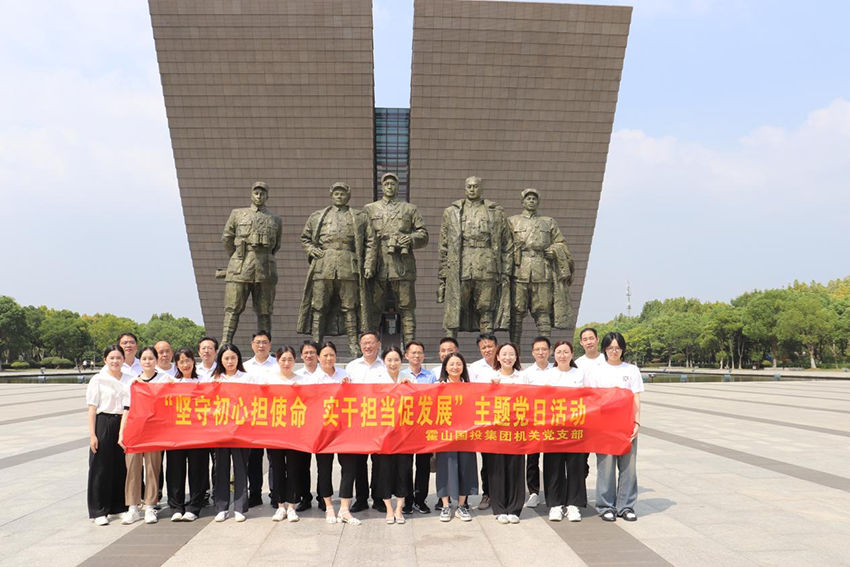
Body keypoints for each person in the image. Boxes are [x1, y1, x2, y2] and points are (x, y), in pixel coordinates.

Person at [297, 181, 376, 357]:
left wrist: (368, 264)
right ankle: (316, 344)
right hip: (323, 265)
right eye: (336, 193)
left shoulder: (360, 216)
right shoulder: (318, 216)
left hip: (349, 266)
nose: (339, 196)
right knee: (318, 306)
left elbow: (371, 242)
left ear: (348, 196)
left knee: (350, 307)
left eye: (342, 194)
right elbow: (305, 238)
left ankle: (353, 346)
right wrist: (311, 249)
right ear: (331, 195)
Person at [437, 175, 513, 338]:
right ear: (465, 188)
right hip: (460, 265)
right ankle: (450, 352)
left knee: (486, 309)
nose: (472, 189)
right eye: (469, 186)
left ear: (481, 188)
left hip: (487, 265)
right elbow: (444, 245)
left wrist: (505, 271)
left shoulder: (495, 212)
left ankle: (489, 353)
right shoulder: (451, 212)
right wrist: (443, 274)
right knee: (454, 308)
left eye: (475, 186)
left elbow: (506, 244)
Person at [363, 172, 429, 344]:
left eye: (393, 184)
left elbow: (423, 235)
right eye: (386, 184)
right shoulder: (369, 209)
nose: (389, 187)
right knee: (374, 309)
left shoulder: (410, 209)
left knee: (407, 308)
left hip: (402, 264)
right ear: (382, 187)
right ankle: (371, 346)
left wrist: (411, 239)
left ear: (397, 187)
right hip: (378, 264)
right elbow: (362, 237)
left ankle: (410, 346)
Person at [507, 188, 574, 346]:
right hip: (519, 272)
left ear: (538, 202)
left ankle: (545, 350)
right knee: (516, 313)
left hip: (542, 272)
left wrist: (555, 251)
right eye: (528, 198)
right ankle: (513, 351)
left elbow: (561, 243)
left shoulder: (548, 222)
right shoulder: (512, 221)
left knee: (543, 312)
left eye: (534, 199)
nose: (531, 201)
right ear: (522, 202)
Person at [588, 332, 643, 522]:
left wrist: (637, 422)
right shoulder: (597, 370)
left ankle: (625, 506)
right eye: (610, 348)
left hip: (626, 424)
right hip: (605, 426)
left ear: (622, 349)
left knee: (629, 466)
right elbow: (592, 398)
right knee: (606, 466)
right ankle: (605, 506)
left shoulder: (632, 370)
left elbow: (636, 397)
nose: (614, 351)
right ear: (604, 349)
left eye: (617, 348)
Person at [305, 341, 361, 525]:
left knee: (349, 467)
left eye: (332, 355)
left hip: (344, 430)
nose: (329, 358)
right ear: (318, 357)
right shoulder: (312, 379)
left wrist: (348, 388)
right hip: (322, 432)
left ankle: (344, 508)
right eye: (325, 355)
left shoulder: (345, 375)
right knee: (324, 469)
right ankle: (328, 506)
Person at [220, 181, 283, 344]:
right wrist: (237, 257)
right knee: (232, 308)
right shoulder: (238, 214)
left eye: (262, 193)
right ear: (251, 195)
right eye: (256, 193)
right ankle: (225, 343)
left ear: (267, 196)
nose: (259, 196)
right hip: (240, 267)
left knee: (265, 311)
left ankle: (265, 344)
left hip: (265, 269)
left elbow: (276, 245)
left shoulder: (275, 219)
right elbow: (227, 238)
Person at [533, 341, 587, 522]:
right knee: (553, 468)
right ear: (553, 355)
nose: (562, 355)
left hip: (576, 429)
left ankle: (573, 505)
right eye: (558, 352)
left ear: (572, 354)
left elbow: (591, 398)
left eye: (566, 352)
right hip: (553, 430)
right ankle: (555, 505)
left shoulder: (581, 374)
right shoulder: (547, 375)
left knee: (576, 467)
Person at [119, 347, 170, 525]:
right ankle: (132, 507)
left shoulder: (165, 379)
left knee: (152, 469)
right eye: (145, 359)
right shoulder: (133, 382)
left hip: (155, 431)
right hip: (134, 430)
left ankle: (150, 506)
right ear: (140, 361)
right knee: (132, 469)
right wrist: (121, 432)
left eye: (151, 358)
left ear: (156, 361)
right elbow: (126, 408)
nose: (148, 361)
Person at [86, 345, 133, 525]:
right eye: (111, 358)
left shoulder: (130, 379)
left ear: (123, 359)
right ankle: (99, 510)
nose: (115, 361)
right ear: (105, 359)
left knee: (121, 466)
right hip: (103, 422)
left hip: (124, 423)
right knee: (100, 467)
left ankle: (119, 506)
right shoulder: (98, 380)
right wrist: (92, 434)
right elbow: (92, 408)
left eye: (118, 358)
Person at [210, 344, 257, 522]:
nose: (230, 361)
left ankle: (239, 507)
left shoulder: (247, 378)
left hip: (240, 430)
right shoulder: (214, 379)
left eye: (233, 358)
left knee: (240, 468)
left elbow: (254, 402)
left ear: (238, 359)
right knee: (220, 468)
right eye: (226, 358)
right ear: (221, 360)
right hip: (220, 430)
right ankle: (221, 507)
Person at [369, 346, 413, 524]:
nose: (393, 363)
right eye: (389, 360)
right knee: (384, 472)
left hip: (405, 436)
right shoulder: (376, 379)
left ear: (401, 361)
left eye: (396, 360)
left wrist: (408, 389)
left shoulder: (408, 378)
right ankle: (388, 508)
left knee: (404, 471)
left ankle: (400, 508)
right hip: (383, 436)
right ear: (384, 361)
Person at [485, 342, 527, 524]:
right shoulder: (491, 378)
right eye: (504, 354)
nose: (508, 357)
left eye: (511, 354)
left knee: (515, 468)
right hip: (496, 432)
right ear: (498, 357)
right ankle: (499, 508)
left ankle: (515, 509)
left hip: (517, 431)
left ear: (516, 357)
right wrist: (491, 388)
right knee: (497, 470)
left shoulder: (523, 377)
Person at [265, 346, 307, 522]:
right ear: (277, 360)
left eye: (290, 359)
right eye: (283, 359)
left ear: (295, 360)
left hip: (295, 433)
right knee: (277, 468)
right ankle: (279, 505)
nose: (287, 363)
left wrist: (302, 392)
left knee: (293, 468)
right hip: (274, 432)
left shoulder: (303, 381)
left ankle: (292, 506)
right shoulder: (269, 381)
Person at [164, 348, 207, 522]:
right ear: (176, 364)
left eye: (188, 360)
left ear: (193, 361)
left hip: (198, 434)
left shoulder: (204, 381)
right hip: (176, 434)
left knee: (198, 471)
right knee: (175, 470)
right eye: (181, 361)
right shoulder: (170, 383)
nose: (185, 364)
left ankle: (194, 507)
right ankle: (176, 506)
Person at [345, 331, 385, 513]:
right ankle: (361, 498)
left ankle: (378, 498)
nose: (368, 346)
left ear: (378, 343)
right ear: (360, 345)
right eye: (364, 343)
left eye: (371, 342)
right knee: (359, 462)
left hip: (380, 422)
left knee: (379, 462)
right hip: (357, 423)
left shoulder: (386, 366)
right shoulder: (352, 367)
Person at [435, 352, 477, 522]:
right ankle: (445, 506)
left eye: (458, 364)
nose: (455, 367)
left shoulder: (471, 387)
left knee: (465, 469)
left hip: (467, 436)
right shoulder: (438, 387)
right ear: (445, 367)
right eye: (451, 364)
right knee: (445, 469)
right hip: (445, 437)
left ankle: (461, 505)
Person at [401, 340, 436, 514]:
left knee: (423, 466)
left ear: (424, 356)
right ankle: (407, 499)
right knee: (406, 466)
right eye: (413, 353)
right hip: (405, 428)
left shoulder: (431, 377)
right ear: (406, 355)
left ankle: (420, 499)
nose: (416, 356)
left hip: (424, 427)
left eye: (419, 353)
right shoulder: (400, 375)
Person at [244, 330, 277, 508]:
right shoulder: (245, 366)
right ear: (252, 345)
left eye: (264, 342)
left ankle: (274, 493)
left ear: (270, 344)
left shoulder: (278, 364)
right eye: (257, 342)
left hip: (273, 417)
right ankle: (255, 493)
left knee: (274, 458)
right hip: (252, 419)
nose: (261, 346)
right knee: (254, 458)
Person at [467, 333, 497, 510]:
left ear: (496, 346)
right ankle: (487, 494)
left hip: (506, 421)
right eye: (483, 347)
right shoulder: (475, 368)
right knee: (487, 460)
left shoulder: (505, 363)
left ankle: (501, 492)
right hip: (484, 422)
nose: (487, 350)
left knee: (503, 460)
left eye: (490, 346)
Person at [523, 336, 553, 509]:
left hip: (552, 422)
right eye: (537, 350)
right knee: (532, 459)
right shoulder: (527, 373)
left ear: (549, 351)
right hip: (533, 422)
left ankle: (550, 491)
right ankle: (533, 492)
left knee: (551, 459)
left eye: (544, 349)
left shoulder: (557, 370)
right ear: (532, 352)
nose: (541, 353)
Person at [294, 339, 320, 511]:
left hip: (324, 426)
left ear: (317, 355)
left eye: (312, 352)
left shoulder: (325, 374)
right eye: (306, 353)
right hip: (302, 427)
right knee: (302, 465)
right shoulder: (296, 376)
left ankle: (323, 497)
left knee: (323, 466)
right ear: (301, 355)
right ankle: (305, 497)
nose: (309, 355)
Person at [196, 336, 218, 505]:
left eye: (210, 348)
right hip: (199, 423)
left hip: (218, 422)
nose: (206, 351)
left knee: (218, 460)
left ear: (216, 351)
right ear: (199, 351)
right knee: (201, 460)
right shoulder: (193, 371)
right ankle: (202, 492)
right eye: (203, 348)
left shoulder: (222, 371)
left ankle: (218, 492)